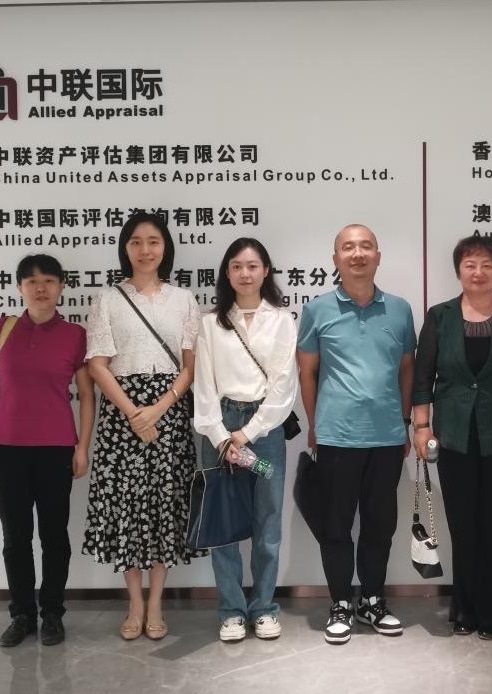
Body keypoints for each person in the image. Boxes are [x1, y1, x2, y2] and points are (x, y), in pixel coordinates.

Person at [82, 211, 204, 641]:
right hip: (121, 417)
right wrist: (134, 411)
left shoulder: (183, 300)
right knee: (128, 510)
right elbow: (97, 365)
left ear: (165, 248)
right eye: (136, 242)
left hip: (169, 415)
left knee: (164, 507)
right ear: (125, 248)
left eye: (153, 241)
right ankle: (134, 603)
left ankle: (156, 603)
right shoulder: (107, 299)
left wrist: (159, 407)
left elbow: (190, 366)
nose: (145, 250)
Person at [411, 235, 492, 640]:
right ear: (458, 271)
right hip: (454, 435)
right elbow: (423, 376)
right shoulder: (440, 316)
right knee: (463, 525)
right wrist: (421, 426)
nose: (478, 272)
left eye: (486, 264)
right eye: (470, 264)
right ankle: (465, 608)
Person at [296, 223, 416, 645]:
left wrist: (404, 422)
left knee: (380, 527)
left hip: (387, 438)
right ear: (336, 259)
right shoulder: (317, 310)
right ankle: (340, 603)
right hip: (336, 437)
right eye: (348, 247)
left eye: (366, 246)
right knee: (335, 526)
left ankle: (373, 601)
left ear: (378, 256)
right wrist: (315, 424)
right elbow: (307, 372)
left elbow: (407, 369)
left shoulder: (399, 310)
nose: (357, 254)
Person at [0, 253, 95, 648]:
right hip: (6, 450)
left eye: (49, 281)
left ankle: (52, 614)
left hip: (56, 450)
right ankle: (21, 615)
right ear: (19, 287)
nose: (41, 288)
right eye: (32, 281)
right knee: (16, 537)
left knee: (55, 537)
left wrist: (82, 447)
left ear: (61, 286)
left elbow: (87, 395)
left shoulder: (74, 335)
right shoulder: (3, 329)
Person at [192, 237, 297, 643]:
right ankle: (232, 611)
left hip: (264, 434)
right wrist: (222, 437)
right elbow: (203, 386)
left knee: (267, 521)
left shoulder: (282, 320)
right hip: (219, 429)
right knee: (223, 522)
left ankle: (264, 608)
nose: (245, 273)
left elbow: (284, 388)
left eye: (252, 266)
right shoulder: (211, 323)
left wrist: (247, 433)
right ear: (227, 273)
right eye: (236, 266)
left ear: (265, 271)